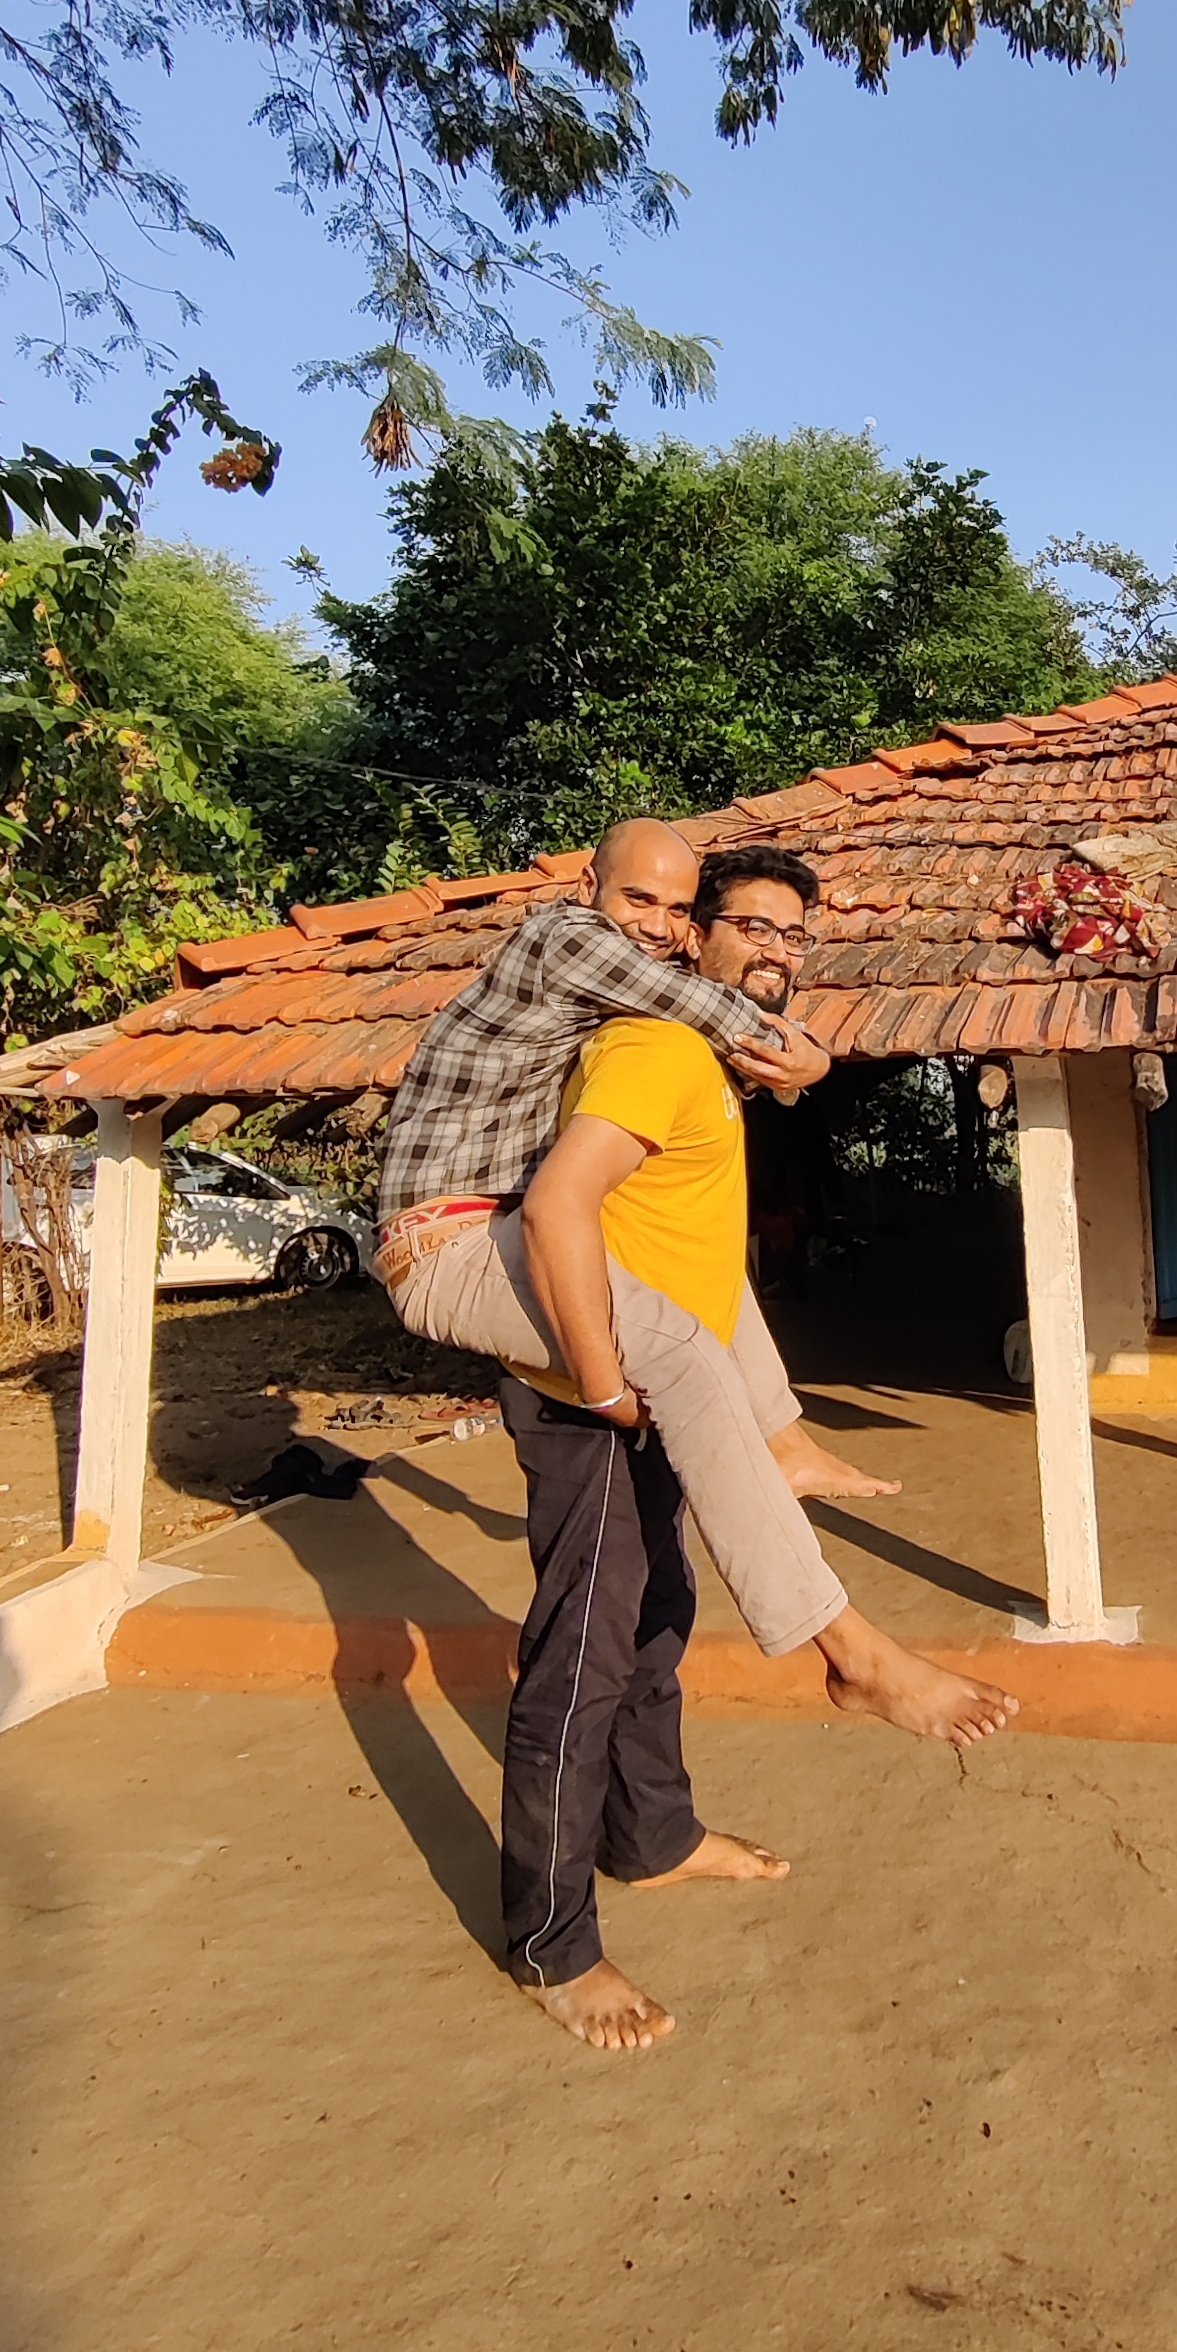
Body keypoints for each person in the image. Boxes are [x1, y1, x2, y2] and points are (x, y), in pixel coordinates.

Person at [500, 851, 1016, 2048]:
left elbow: (696, 1248)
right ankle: (549, 1945)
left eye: (794, 935)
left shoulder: (709, 1061)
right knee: (580, 1658)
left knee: (656, 1618)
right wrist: (598, 1379)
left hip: (658, 1391)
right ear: (694, 938)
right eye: (751, 926)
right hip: (594, 1395)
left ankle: (655, 1838)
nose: (777, 951)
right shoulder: (656, 1048)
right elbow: (560, 1203)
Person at [378, 821, 1014, 1747]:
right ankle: (851, 1653)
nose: (655, 923)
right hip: (450, 1239)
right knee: (675, 1380)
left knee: (698, 1306)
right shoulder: (564, 941)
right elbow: (703, 1012)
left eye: (674, 909)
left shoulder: (633, 1015)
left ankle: (784, 1440)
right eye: (639, 898)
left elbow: (701, 1041)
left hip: (500, 1231)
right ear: (589, 885)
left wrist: (787, 1066)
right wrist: (809, 1058)